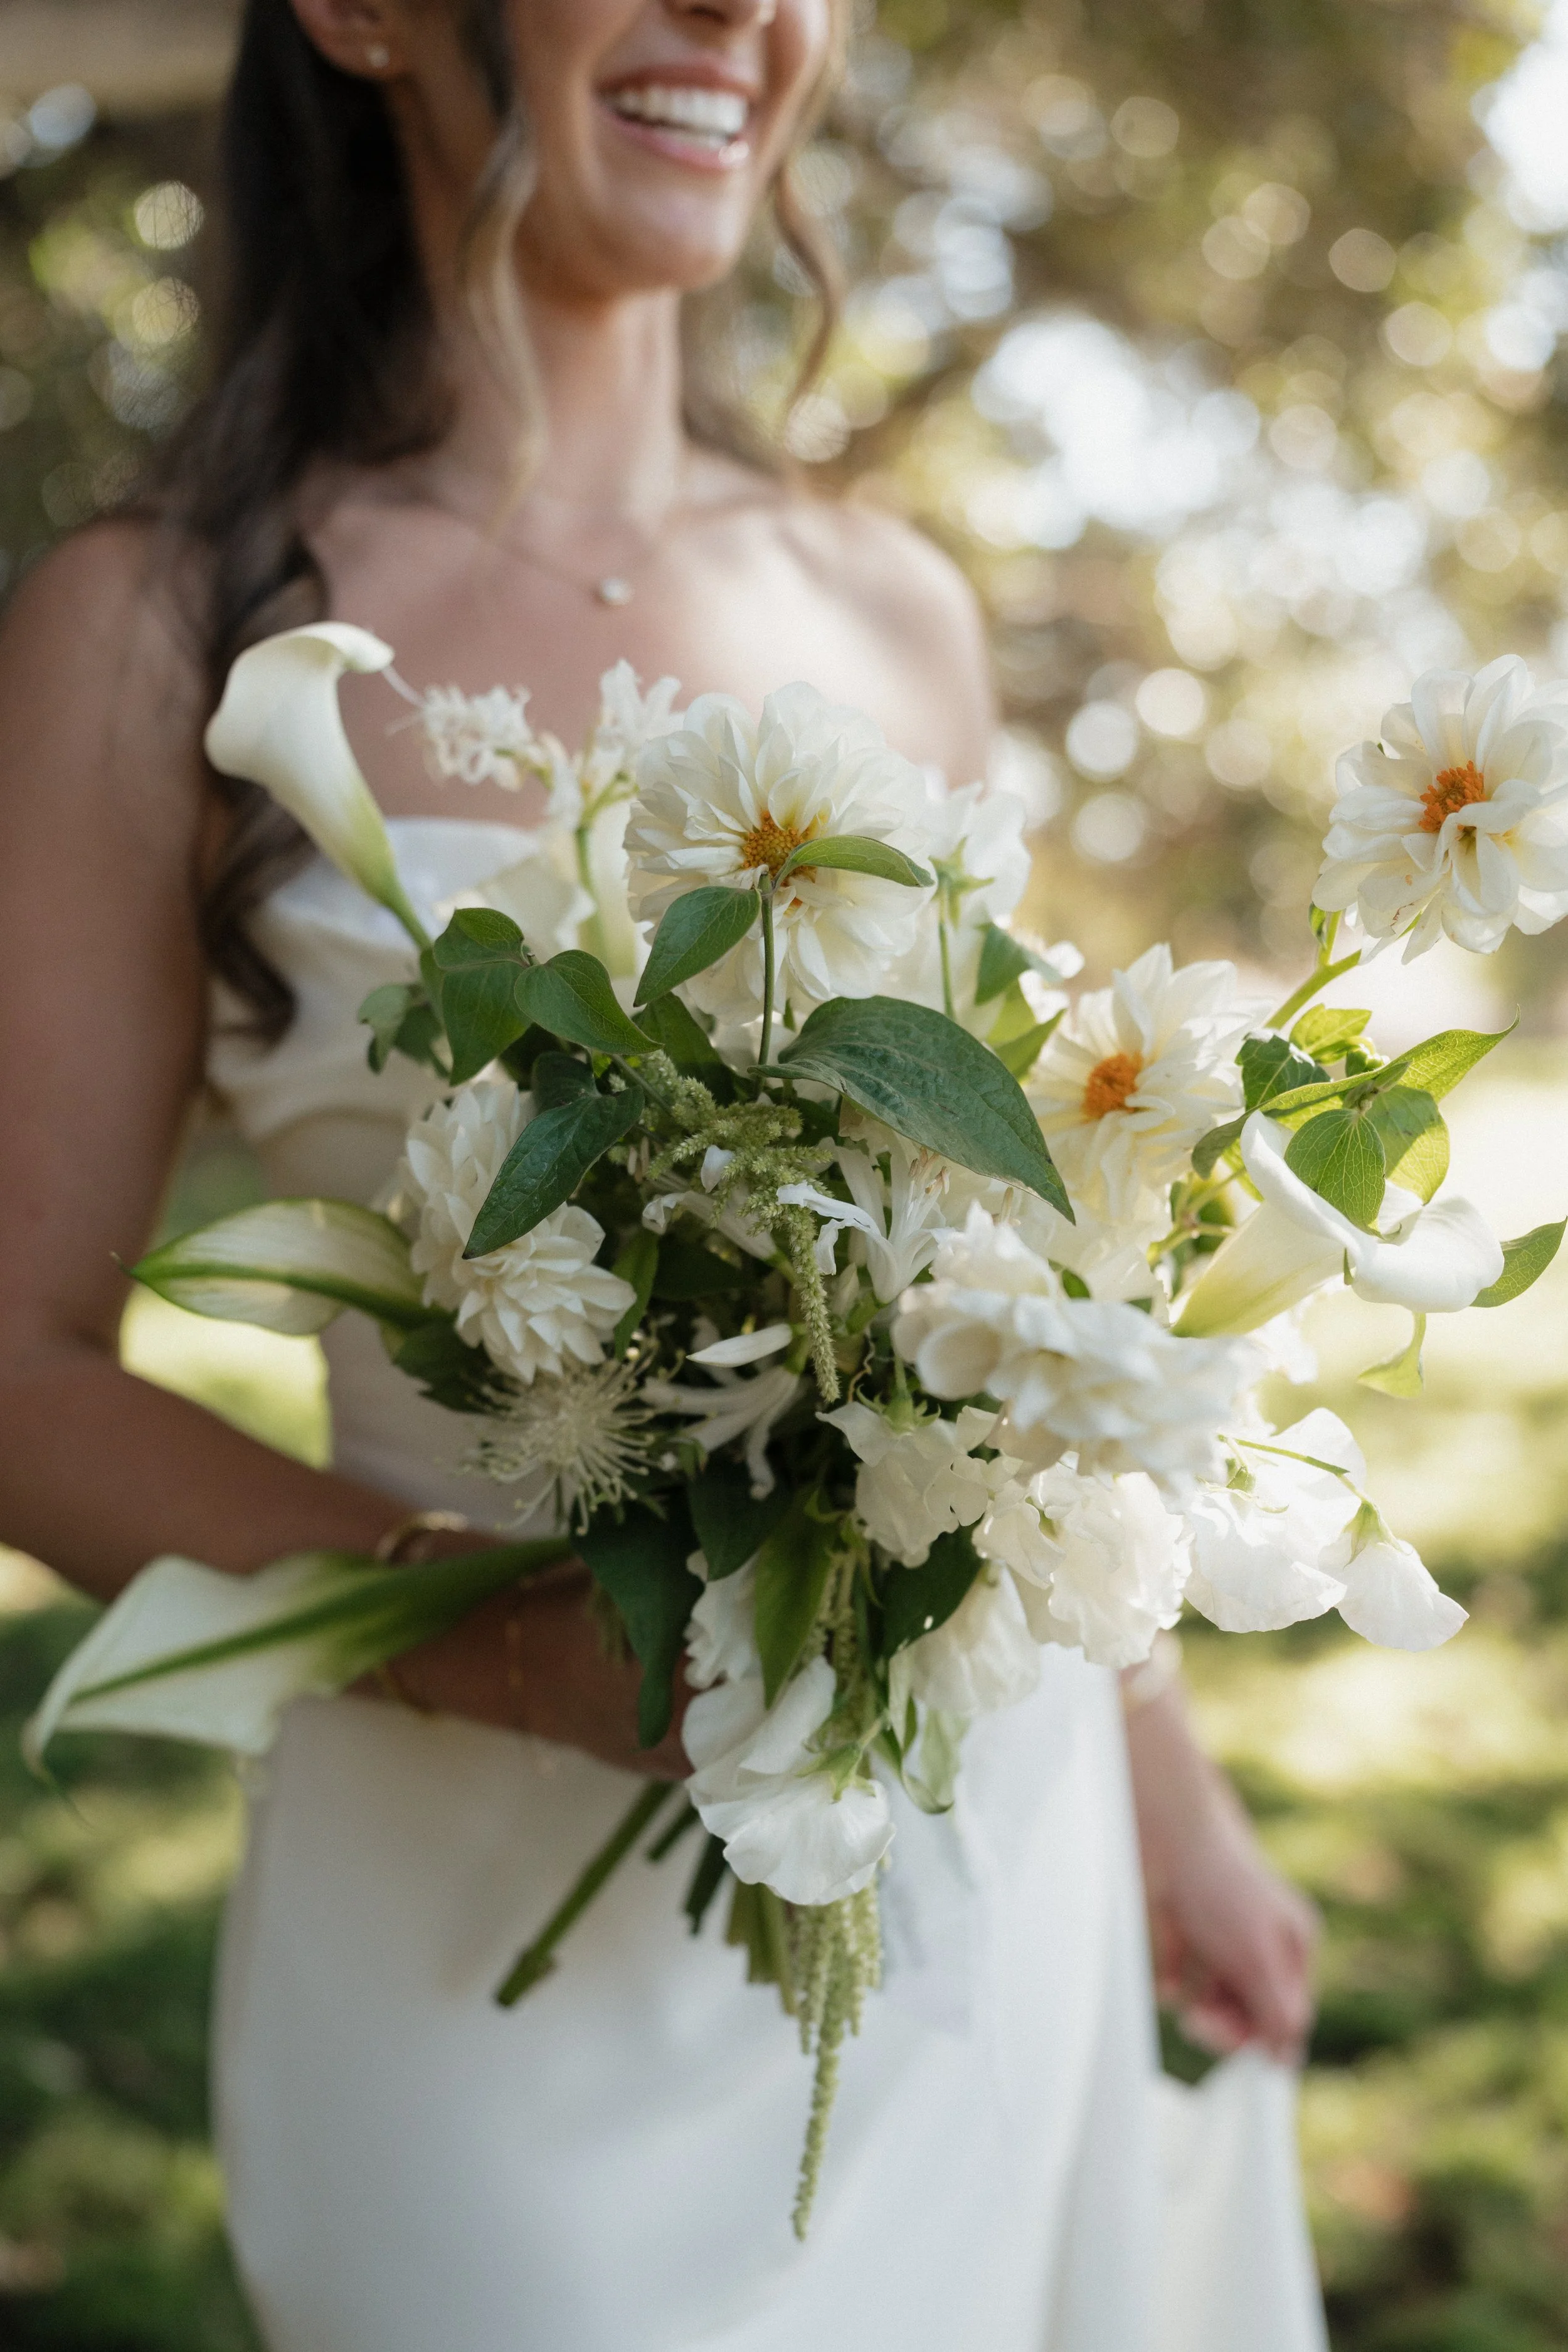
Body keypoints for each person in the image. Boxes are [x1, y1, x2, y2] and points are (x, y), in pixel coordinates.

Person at [0, 3, 1320, 2345]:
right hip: (470, 1933)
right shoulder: (155, 631)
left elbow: (1011, 1281)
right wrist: (497, 1636)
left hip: (962, 1880)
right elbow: (13, 1366)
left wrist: (1162, 1790)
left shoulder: (891, 608)